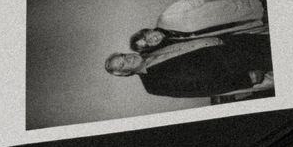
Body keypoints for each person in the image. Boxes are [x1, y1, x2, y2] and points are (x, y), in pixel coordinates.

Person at [103, 31, 273, 102]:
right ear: (124, 73)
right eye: (123, 64)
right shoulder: (152, 85)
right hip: (234, 65)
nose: (128, 59)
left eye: (123, 55)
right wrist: (245, 80)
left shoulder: (150, 49)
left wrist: (157, 34)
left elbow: (177, 37)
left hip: (231, 42)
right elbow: (198, 90)